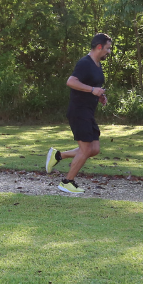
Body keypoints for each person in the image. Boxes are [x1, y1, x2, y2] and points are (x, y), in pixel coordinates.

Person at [45, 33, 112, 194]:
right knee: (85, 149)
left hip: (88, 111)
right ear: (99, 47)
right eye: (108, 48)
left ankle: (59, 155)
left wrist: (100, 95)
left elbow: (92, 85)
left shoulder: (97, 64)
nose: (109, 52)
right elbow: (71, 81)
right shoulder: (84, 63)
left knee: (94, 149)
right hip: (78, 111)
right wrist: (92, 90)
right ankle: (67, 182)